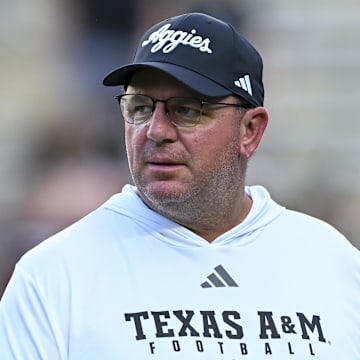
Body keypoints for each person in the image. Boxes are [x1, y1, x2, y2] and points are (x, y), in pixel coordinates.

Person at [0, 12, 359, 360]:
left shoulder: (333, 264)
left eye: (187, 110)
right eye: (139, 107)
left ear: (250, 130)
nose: (155, 131)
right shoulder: (53, 275)